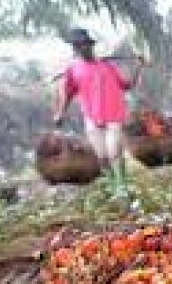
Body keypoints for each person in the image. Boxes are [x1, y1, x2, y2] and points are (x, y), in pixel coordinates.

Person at [52, 28, 145, 198]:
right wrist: (60, 113)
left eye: (85, 45)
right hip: (92, 118)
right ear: (75, 49)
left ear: (91, 46)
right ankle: (113, 187)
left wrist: (139, 66)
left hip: (114, 115)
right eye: (78, 46)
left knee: (114, 152)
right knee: (102, 157)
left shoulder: (107, 66)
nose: (82, 48)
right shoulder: (73, 70)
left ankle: (122, 187)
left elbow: (128, 85)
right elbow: (67, 94)